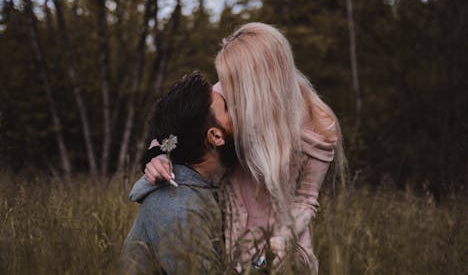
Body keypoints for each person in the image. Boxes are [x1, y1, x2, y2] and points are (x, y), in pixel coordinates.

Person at [144, 23, 346, 274]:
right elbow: (172, 122)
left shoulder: (319, 124)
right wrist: (157, 155)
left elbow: (306, 200)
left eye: (234, 80)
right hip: (229, 238)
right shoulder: (226, 94)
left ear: (260, 81)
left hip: (286, 251)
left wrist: (279, 243)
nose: (225, 87)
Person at [122, 72, 237, 274]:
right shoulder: (177, 211)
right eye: (227, 108)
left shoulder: (205, 184)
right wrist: (263, 262)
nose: (239, 112)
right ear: (215, 135)